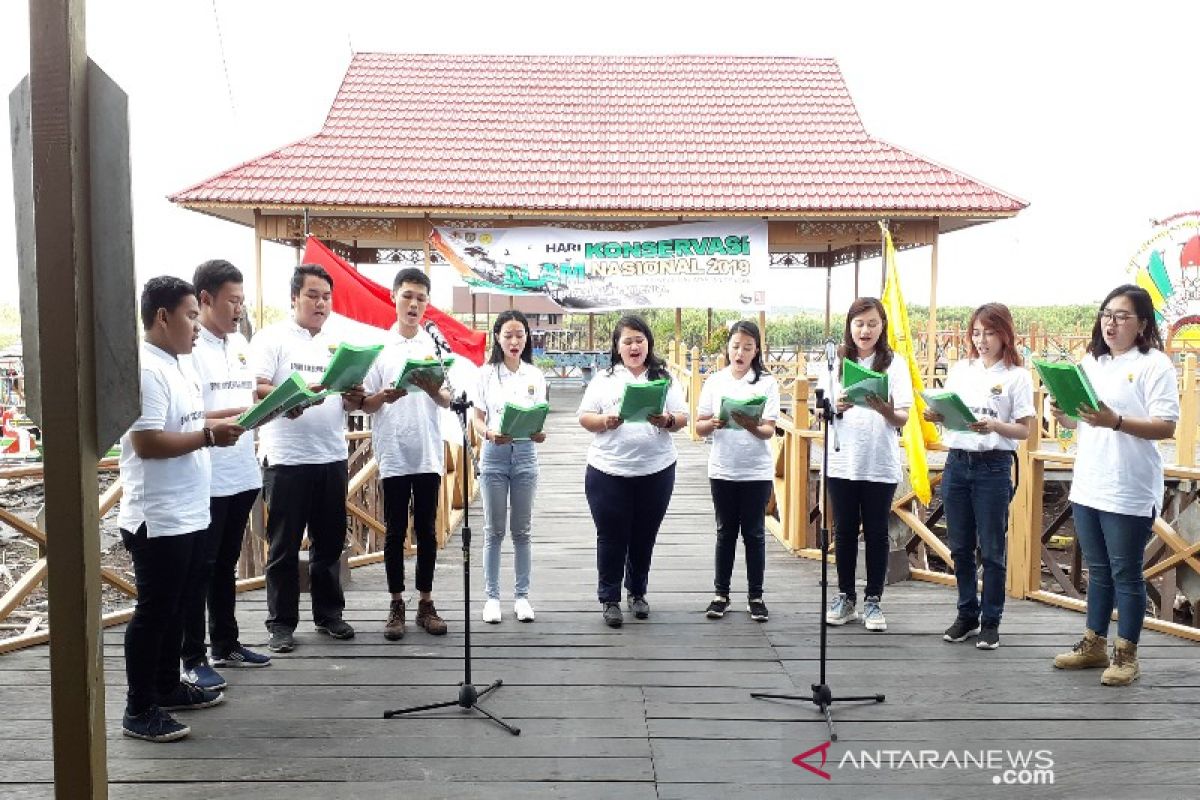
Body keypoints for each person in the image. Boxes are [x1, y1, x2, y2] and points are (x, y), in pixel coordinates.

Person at [118, 276, 243, 742]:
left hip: (189, 511)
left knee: (176, 608)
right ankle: (139, 709)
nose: (196, 326)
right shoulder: (147, 370)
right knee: (154, 611)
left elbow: (190, 421)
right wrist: (211, 436)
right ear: (162, 317)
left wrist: (230, 418)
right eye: (190, 315)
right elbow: (147, 441)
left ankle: (168, 687)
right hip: (159, 516)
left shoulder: (178, 363)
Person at [1051, 284, 1178, 685]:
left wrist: (1117, 421)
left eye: (1122, 316)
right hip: (1089, 481)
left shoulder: (1154, 364)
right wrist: (1064, 413)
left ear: (1141, 324)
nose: (1111, 322)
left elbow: (1166, 425)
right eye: (1107, 314)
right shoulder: (1093, 362)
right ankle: (1093, 644)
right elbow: (1080, 420)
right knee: (1098, 569)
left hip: (1129, 485)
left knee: (1127, 572)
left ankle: (1127, 655)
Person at [253, 264, 366, 653]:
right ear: (294, 298)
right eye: (313, 295)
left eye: (326, 297)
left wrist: (353, 394)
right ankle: (281, 624)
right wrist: (292, 398)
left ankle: (329, 615)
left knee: (329, 541)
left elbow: (348, 398)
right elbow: (259, 386)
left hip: (331, 455)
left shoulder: (337, 343)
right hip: (286, 458)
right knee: (283, 545)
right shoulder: (273, 339)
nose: (321, 303)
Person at [179, 261, 272, 693]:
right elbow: (192, 413)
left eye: (241, 301)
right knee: (200, 568)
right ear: (205, 299)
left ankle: (226, 642)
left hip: (242, 471)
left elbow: (249, 394)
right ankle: (192, 657)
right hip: (206, 477)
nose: (238, 309)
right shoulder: (189, 349)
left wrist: (276, 404)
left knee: (226, 565)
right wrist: (238, 415)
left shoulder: (240, 344)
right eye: (231, 301)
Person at [925, 303, 1033, 650]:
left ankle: (992, 620)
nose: (981, 339)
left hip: (994, 464)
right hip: (957, 461)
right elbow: (949, 408)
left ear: (1004, 334)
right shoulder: (961, 369)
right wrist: (936, 414)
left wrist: (994, 425)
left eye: (989, 332)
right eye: (976, 332)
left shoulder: (1016, 375)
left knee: (993, 548)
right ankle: (966, 613)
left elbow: (1025, 430)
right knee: (959, 546)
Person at [578, 315, 688, 628]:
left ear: (648, 343)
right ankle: (609, 598)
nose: (634, 346)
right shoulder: (604, 379)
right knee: (611, 536)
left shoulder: (664, 377)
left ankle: (637, 592)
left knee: (644, 535)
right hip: (608, 471)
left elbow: (683, 418)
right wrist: (605, 421)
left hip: (656, 470)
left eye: (639, 340)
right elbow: (585, 417)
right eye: (627, 341)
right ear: (617, 347)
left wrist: (666, 420)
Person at [362, 267, 453, 640]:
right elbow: (365, 404)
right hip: (395, 452)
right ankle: (396, 602)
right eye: (408, 296)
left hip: (428, 451)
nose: (414, 304)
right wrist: (384, 395)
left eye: (421, 298)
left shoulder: (432, 349)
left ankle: (425, 602)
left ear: (427, 304)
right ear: (394, 298)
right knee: (396, 530)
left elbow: (447, 399)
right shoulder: (380, 348)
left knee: (428, 531)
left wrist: (433, 389)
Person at [823, 297, 912, 632]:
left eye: (872, 323)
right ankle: (845, 596)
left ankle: (873, 600)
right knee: (844, 531)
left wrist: (884, 409)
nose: (865, 330)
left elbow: (902, 414)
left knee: (876, 531)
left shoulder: (894, 364)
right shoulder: (836, 361)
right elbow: (823, 408)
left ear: (882, 326)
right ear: (849, 326)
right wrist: (838, 407)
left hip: (879, 460)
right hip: (843, 459)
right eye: (859, 323)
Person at [695, 321, 780, 622]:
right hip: (722, 468)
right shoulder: (715, 382)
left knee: (754, 533)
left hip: (756, 470)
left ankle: (756, 596)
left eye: (747, 347)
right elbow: (699, 424)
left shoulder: (767, 383)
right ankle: (721, 594)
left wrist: (751, 426)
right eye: (735, 346)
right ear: (727, 348)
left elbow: (769, 430)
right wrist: (715, 422)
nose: (740, 352)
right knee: (725, 531)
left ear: (757, 350)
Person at [470, 310, 548, 624]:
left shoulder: (534, 375)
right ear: (498, 338)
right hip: (494, 454)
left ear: (527, 338)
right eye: (508, 335)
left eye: (520, 335)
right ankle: (491, 597)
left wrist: (538, 432)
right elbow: (476, 417)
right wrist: (487, 432)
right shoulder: (486, 374)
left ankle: (522, 596)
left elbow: (539, 415)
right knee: (493, 530)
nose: (514, 341)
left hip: (526, 453)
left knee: (522, 531)